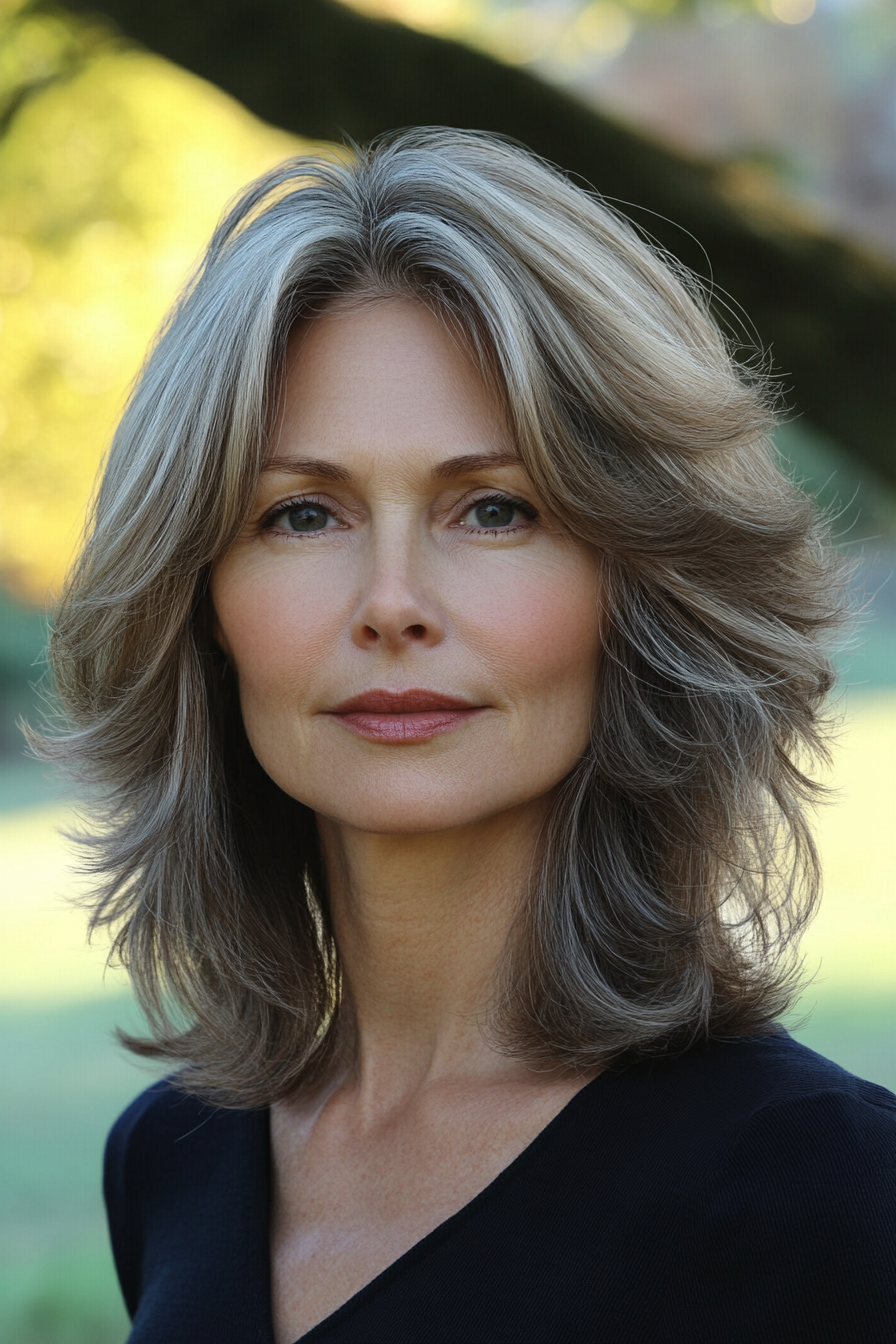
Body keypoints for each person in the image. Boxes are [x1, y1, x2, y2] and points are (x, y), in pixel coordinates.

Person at [40, 128, 894, 1342]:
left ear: (636, 581)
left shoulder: (817, 1191)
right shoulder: (174, 1159)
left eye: (493, 509)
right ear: (201, 603)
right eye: (301, 514)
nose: (392, 603)